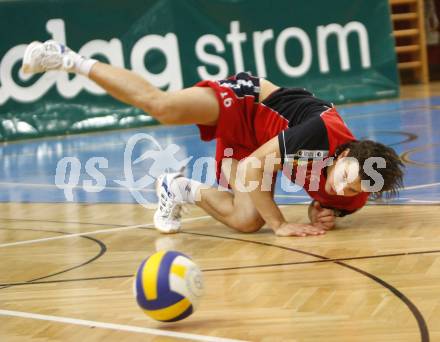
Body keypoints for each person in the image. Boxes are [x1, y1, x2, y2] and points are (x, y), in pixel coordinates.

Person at [22, 40, 404, 237]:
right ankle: (68, 59)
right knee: (164, 107)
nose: (342, 183)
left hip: (261, 147)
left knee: (246, 220)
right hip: (248, 104)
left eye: (351, 185)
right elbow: (257, 166)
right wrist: (281, 225)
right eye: (344, 173)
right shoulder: (321, 129)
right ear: (346, 151)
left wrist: (319, 215)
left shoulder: (352, 195)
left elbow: (319, 202)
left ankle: (177, 187)